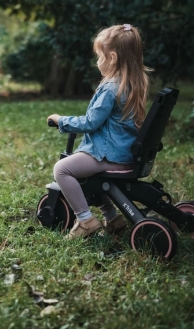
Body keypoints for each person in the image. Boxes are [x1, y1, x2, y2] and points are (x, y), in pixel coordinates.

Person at [47, 24, 151, 239]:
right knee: (87, 172)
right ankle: (112, 217)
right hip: (124, 154)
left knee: (62, 170)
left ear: (112, 58)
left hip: (110, 156)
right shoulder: (132, 83)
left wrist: (60, 121)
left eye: (99, 56)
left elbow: (89, 123)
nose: (97, 62)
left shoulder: (111, 88)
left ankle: (85, 220)